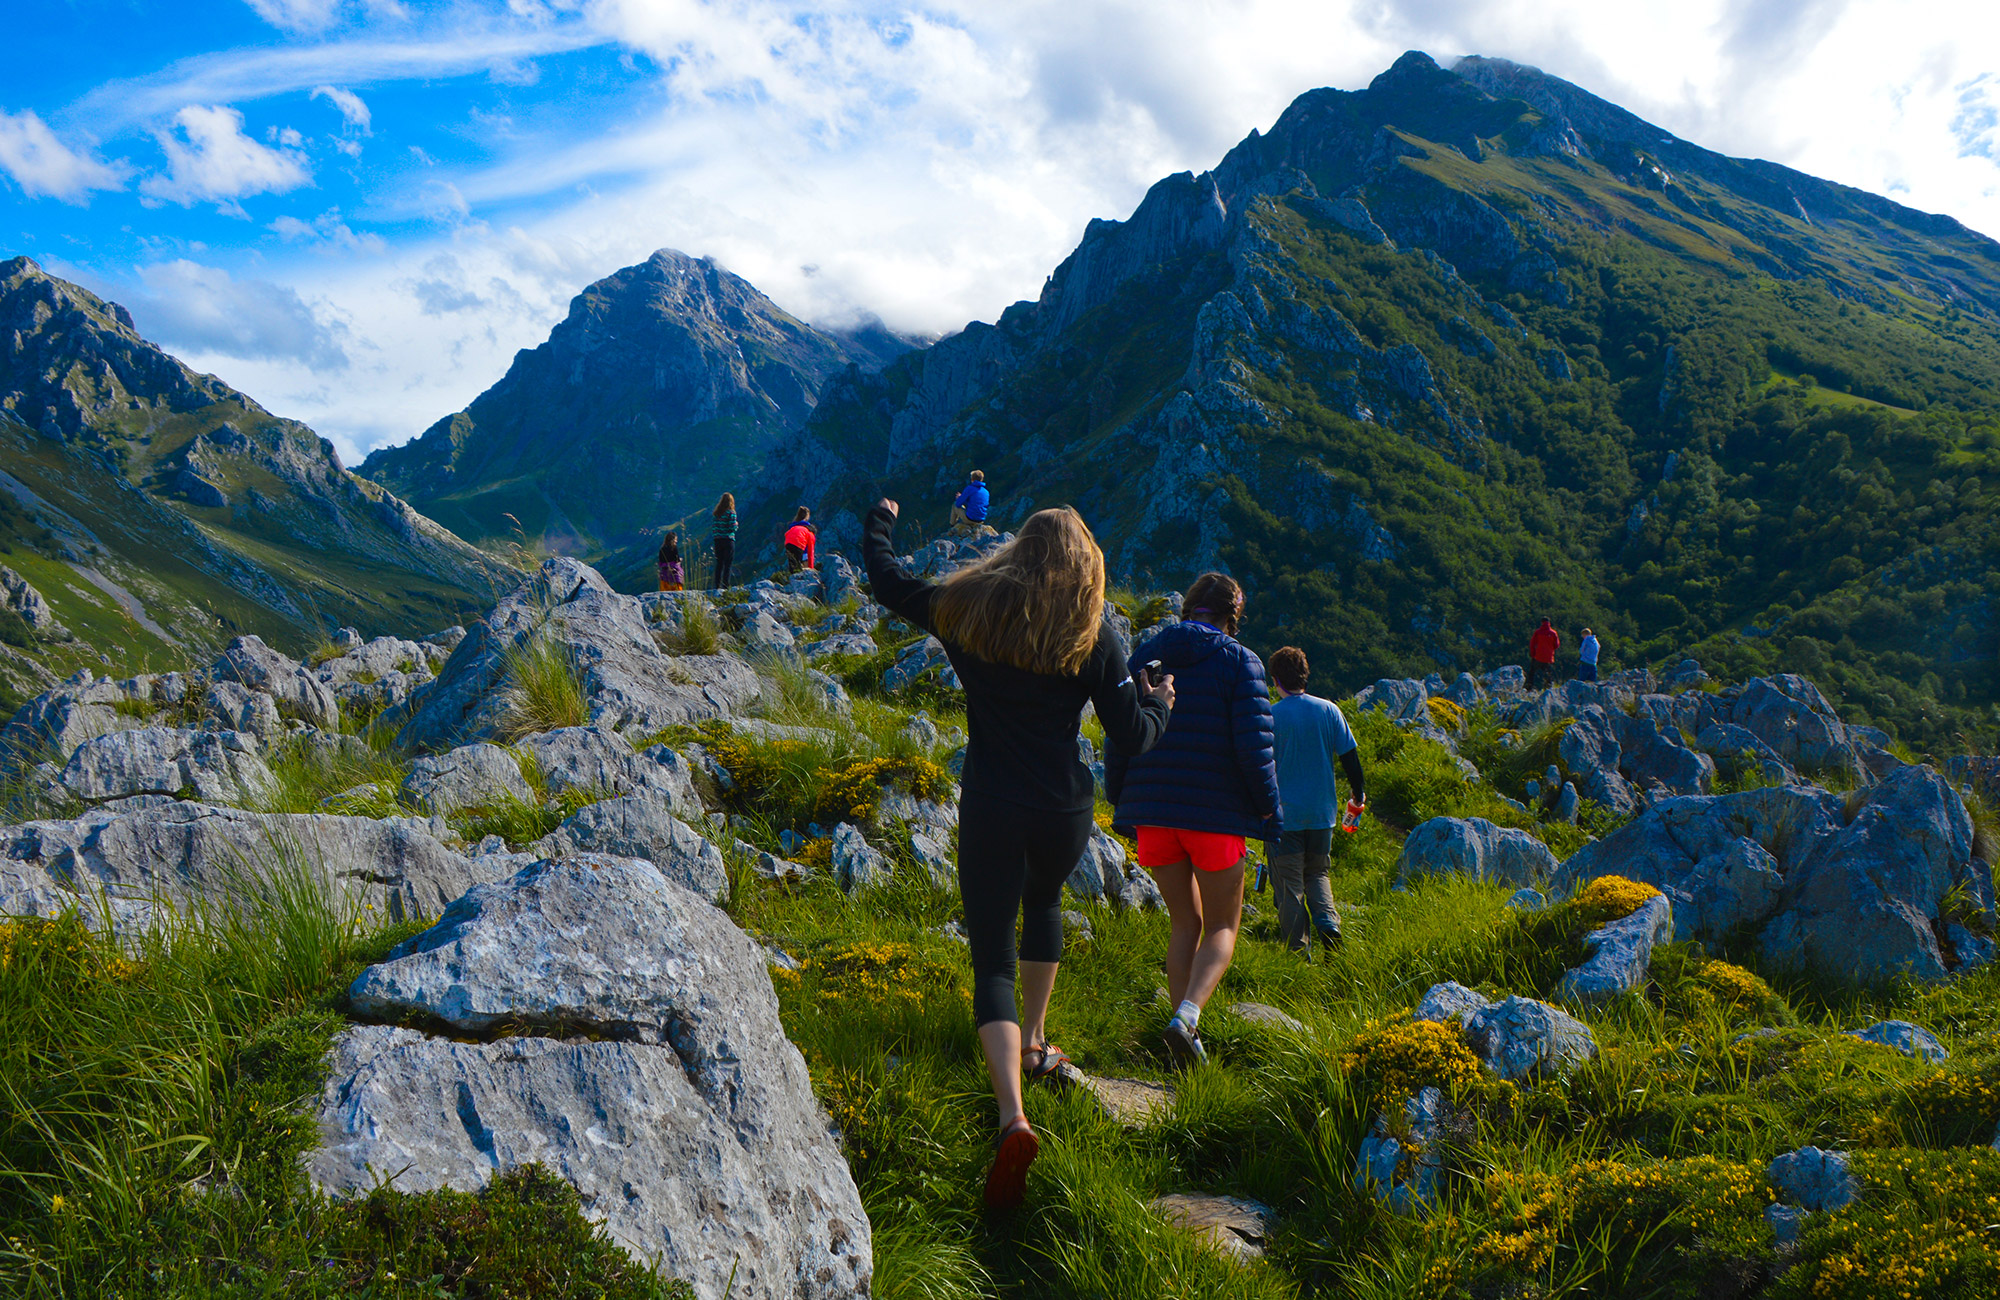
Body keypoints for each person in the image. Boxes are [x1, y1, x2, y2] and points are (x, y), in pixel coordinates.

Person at [865, 497, 1173, 1211]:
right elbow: (1133, 736)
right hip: (1062, 810)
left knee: (992, 959)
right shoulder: (1092, 635)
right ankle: (1036, 1043)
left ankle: (1013, 1116)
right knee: (1045, 903)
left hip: (993, 803)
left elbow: (888, 583)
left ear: (1018, 552)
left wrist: (880, 521)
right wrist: (1161, 702)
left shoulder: (967, 611)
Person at [1107, 573, 1279, 1069]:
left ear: (1188, 608)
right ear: (1232, 617)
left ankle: (1181, 1042)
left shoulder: (1146, 655)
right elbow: (1255, 749)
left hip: (1154, 813)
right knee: (1223, 925)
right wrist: (1269, 809)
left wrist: (1121, 796)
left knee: (1185, 922)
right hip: (1214, 817)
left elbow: (1121, 733)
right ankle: (1186, 1017)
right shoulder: (1240, 661)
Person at [1267, 646, 1364, 956]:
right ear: (1305, 676)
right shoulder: (1329, 710)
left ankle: (1298, 953)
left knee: (1290, 886)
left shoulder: (1271, 716)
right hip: (1322, 814)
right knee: (1318, 874)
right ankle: (1328, 924)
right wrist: (1358, 793)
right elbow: (1350, 758)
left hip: (1284, 816)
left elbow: (1258, 765)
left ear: (1276, 680)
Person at [951, 470, 992, 536]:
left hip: (970, 519)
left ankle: (952, 526)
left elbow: (958, 504)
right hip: (981, 520)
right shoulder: (986, 492)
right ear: (981, 479)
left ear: (972, 479)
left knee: (954, 505)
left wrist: (959, 498)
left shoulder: (969, 488)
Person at [710, 493, 737, 589]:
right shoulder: (731, 513)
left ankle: (717, 585)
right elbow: (732, 528)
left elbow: (714, 528)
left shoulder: (716, 514)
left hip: (718, 541)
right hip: (728, 540)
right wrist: (736, 525)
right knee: (727, 564)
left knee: (719, 564)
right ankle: (726, 585)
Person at [1528, 617, 1561, 690]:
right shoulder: (1553, 633)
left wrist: (1533, 654)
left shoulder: (1538, 632)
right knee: (1548, 674)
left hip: (1538, 656)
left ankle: (1529, 687)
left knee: (1532, 672)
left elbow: (1532, 644)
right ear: (1549, 623)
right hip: (1548, 657)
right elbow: (1556, 645)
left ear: (1541, 622)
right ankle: (1548, 688)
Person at [783, 507, 817, 572]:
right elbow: (810, 552)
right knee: (803, 562)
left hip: (788, 543)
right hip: (798, 544)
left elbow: (787, 534)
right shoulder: (810, 533)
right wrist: (811, 568)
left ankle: (793, 574)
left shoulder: (794, 527)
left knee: (793, 564)